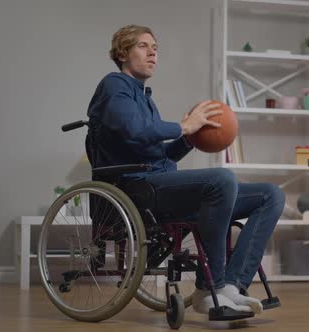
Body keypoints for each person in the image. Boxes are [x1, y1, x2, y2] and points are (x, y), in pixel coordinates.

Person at [86, 25, 285, 315]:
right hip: (135, 189)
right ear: (122, 53)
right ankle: (210, 288)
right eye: (143, 46)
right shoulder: (114, 86)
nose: (153, 51)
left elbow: (157, 154)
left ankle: (231, 286)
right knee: (221, 179)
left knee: (271, 195)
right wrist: (183, 126)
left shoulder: (144, 98)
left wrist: (188, 140)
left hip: (156, 182)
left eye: (155, 46)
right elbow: (134, 129)